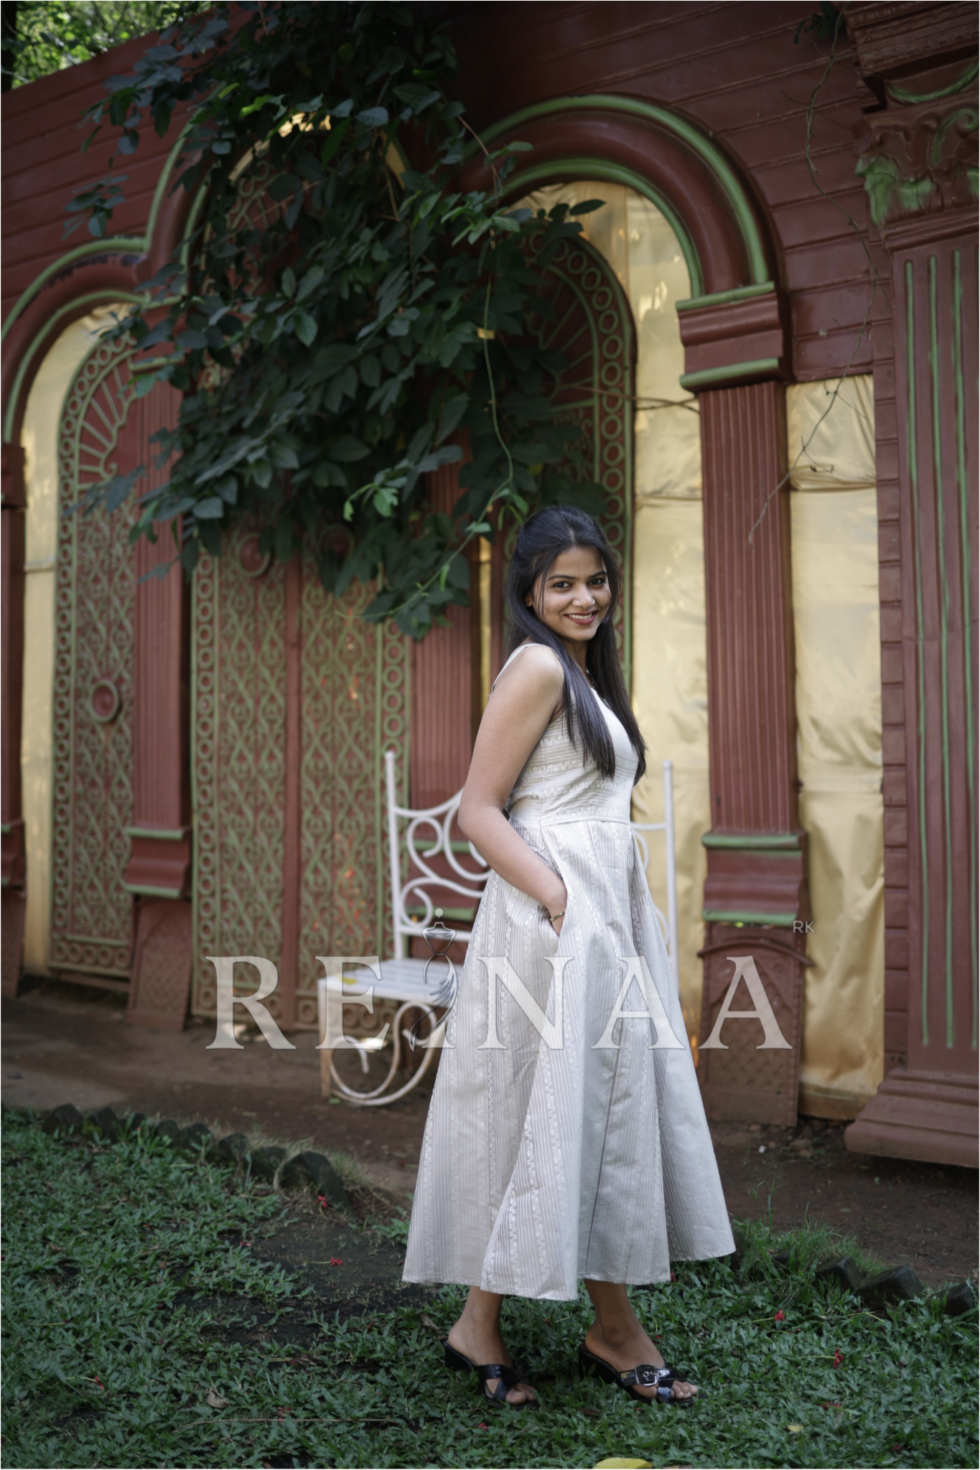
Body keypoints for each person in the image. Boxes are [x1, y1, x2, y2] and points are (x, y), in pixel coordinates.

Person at [402, 504, 734, 1408]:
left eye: (596, 581)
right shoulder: (540, 666)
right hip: (553, 919)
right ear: (530, 592)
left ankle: (520, 1325)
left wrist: (598, 909)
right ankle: (601, 1330)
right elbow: (477, 810)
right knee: (560, 1104)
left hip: (598, 917)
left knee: (580, 1108)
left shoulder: (583, 673)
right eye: (563, 584)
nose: (585, 597)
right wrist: (559, 902)